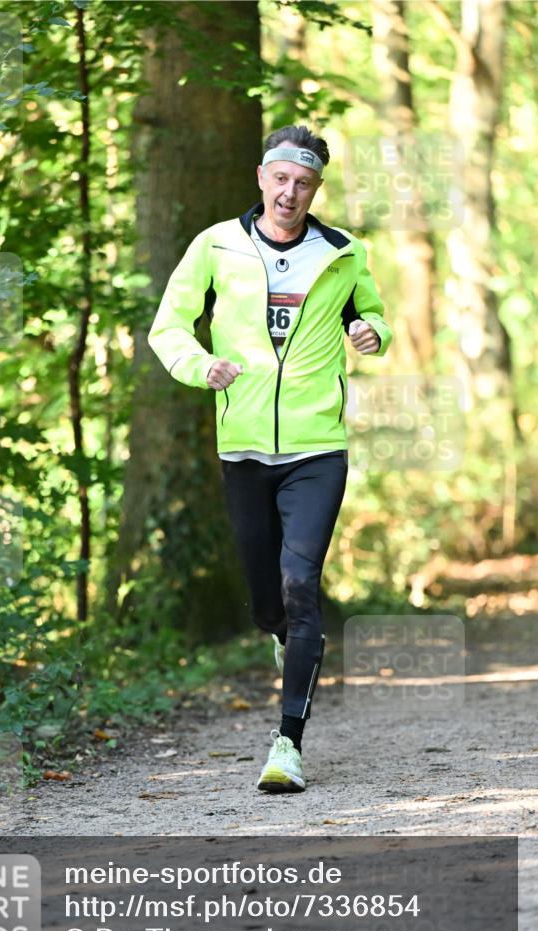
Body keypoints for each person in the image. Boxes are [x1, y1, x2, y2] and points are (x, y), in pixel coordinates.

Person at [148, 124, 391, 793]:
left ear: (316, 188)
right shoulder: (215, 245)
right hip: (244, 447)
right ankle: (282, 634)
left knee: (299, 585)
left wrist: (372, 332)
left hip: (317, 448)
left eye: (303, 183)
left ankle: (287, 744)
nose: (290, 192)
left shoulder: (342, 253)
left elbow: (371, 314)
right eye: (281, 178)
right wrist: (200, 366)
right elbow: (168, 327)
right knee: (267, 601)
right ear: (261, 177)